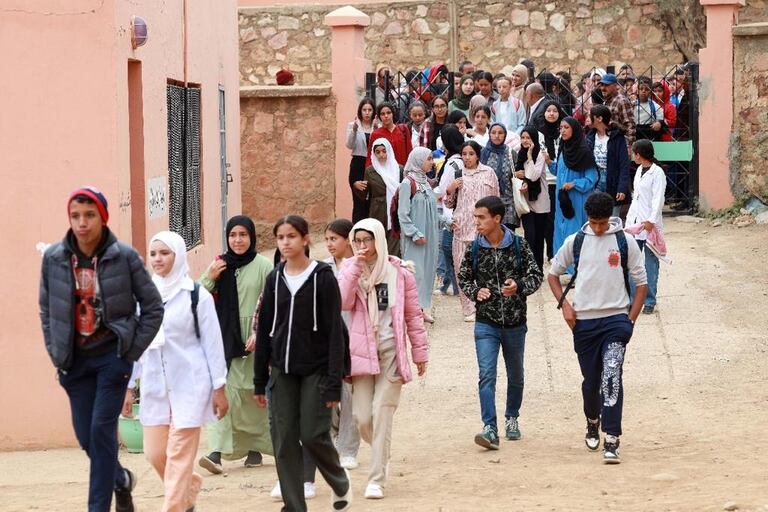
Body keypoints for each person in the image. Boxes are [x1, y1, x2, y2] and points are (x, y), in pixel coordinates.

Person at [39, 186, 163, 512]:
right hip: (74, 363)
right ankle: (121, 480)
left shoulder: (124, 257)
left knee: (100, 430)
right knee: (87, 438)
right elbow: (46, 310)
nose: (82, 223)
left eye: (89, 215)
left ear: (103, 218)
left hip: (112, 358)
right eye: (76, 216)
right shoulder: (54, 258)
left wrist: (130, 351)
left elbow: (153, 308)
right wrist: (56, 352)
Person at [254, 215, 352, 512]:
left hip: (317, 371)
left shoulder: (322, 277)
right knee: (283, 441)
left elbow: (335, 332)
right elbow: (265, 331)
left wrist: (334, 383)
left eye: (292, 236)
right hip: (281, 372)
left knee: (312, 434)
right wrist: (260, 380)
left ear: (306, 239)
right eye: (281, 237)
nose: (285, 243)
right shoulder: (274, 279)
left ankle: (339, 481)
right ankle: (294, 505)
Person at [127, 231, 228, 512]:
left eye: (165, 253)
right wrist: (128, 385)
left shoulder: (198, 296)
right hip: (155, 385)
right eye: (154, 254)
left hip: (190, 386)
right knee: (155, 453)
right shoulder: (143, 298)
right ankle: (189, 488)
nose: (158, 259)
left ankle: (174, 507)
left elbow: (213, 344)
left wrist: (219, 388)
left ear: (178, 255)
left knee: (179, 455)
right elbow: (135, 343)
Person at [547, 192, 648, 464]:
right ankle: (592, 420)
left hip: (616, 320)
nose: (599, 228)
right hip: (584, 323)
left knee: (612, 376)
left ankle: (612, 438)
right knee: (591, 382)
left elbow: (641, 283)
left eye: (603, 223)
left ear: (610, 219)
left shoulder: (625, 241)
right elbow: (553, 275)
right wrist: (565, 306)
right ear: (588, 218)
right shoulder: (576, 241)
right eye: (594, 222)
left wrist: (631, 319)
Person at [337, 218, 429, 500]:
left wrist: (419, 352)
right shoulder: (349, 270)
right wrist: (354, 266)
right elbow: (341, 301)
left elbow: (413, 316)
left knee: (382, 412)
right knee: (362, 417)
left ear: (378, 239)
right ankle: (382, 451)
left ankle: (377, 476)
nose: (362, 246)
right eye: (357, 241)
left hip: (391, 353)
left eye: (367, 240)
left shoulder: (400, 274)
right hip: (361, 355)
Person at [457, 196, 543, 449]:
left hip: (516, 323)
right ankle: (489, 427)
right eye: (475, 217)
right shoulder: (474, 248)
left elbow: (535, 276)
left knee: (516, 375)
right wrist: (475, 292)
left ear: (497, 218)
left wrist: (518, 287)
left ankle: (512, 418)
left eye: (481, 217)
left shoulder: (519, 245)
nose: (477, 222)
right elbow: (464, 277)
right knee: (486, 375)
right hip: (486, 323)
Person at [198, 216, 273, 474]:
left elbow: (274, 301)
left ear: (251, 237)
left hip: (255, 337)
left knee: (253, 394)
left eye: (243, 235)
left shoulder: (264, 265)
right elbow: (196, 298)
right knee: (224, 391)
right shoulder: (219, 264)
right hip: (223, 339)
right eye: (233, 235)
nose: (238, 240)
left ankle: (254, 448)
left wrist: (260, 333)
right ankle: (216, 452)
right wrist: (209, 278)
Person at [444, 141, 500, 321]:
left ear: (477, 155)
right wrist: (450, 189)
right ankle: (468, 308)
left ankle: (484, 304)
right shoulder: (458, 175)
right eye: (464, 154)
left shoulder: (488, 173)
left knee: (485, 268)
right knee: (462, 269)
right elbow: (448, 203)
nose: (467, 157)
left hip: (484, 230)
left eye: (471, 154)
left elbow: (496, 199)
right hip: (461, 229)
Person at [323, 219, 361, 469]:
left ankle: (348, 448)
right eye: (326, 239)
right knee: (327, 394)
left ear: (348, 240)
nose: (329, 244)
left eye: (333, 239)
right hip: (325, 341)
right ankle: (330, 440)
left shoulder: (360, 267)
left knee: (350, 396)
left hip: (353, 339)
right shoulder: (322, 269)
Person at [545, 117, 599, 259]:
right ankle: (563, 263)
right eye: (561, 128)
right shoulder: (563, 149)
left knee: (574, 232)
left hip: (577, 199)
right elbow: (560, 172)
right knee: (561, 230)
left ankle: (576, 268)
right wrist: (549, 162)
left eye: (566, 127)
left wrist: (574, 184)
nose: (562, 131)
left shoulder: (583, 151)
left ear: (574, 130)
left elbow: (591, 178)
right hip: (562, 198)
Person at [398, 147, 440, 323]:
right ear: (418, 160)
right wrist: (415, 233)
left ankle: (421, 309)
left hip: (430, 236)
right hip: (415, 238)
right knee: (415, 275)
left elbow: (433, 210)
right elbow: (403, 214)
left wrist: (446, 221)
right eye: (429, 159)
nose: (432, 162)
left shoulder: (426, 183)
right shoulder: (408, 183)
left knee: (428, 273)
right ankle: (411, 312)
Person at [625, 140, 666, 315]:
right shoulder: (639, 171)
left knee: (650, 262)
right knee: (633, 262)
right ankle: (633, 299)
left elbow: (658, 199)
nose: (633, 156)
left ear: (639, 154)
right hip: (636, 223)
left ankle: (649, 300)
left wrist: (651, 220)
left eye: (634, 153)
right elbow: (637, 198)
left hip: (650, 224)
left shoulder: (658, 173)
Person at [434, 125, 465, 296]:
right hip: (453, 210)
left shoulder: (453, 163)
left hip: (451, 211)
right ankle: (448, 283)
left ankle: (455, 284)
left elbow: (443, 187)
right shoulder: (457, 160)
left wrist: (428, 194)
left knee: (447, 247)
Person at [360, 138, 404, 256]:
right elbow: (365, 195)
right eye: (377, 152)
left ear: (389, 151)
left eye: (384, 151)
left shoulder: (399, 169)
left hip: (395, 210)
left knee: (395, 242)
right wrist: (358, 187)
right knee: (379, 241)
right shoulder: (370, 171)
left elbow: (405, 191)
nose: (381, 155)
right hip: (378, 211)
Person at [586, 105, 630, 217]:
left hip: (612, 179)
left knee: (612, 217)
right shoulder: (590, 136)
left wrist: (622, 187)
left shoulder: (617, 137)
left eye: (590, 116)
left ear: (599, 119)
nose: (587, 118)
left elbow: (623, 164)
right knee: (595, 213)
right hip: (596, 178)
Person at [516, 126, 550, 270]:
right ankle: (529, 267)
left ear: (534, 139)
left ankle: (539, 268)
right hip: (526, 201)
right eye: (523, 137)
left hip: (540, 200)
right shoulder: (519, 154)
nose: (525, 141)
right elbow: (517, 173)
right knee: (529, 235)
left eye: (528, 138)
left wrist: (530, 156)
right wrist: (521, 177)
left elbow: (533, 175)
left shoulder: (541, 155)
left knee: (539, 237)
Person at [538, 101, 563, 262]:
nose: (552, 114)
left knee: (557, 218)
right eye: (548, 110)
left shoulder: (564, 131)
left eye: (555, 110)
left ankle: (557, 251)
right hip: (544, 181)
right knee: (546, 219)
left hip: (560, 181)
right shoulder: (539, 133)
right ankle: (550, 252)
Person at [480, 123, 518, 229]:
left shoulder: (511, 153)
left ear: (505, 135)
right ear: (489, 134)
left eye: (500, 133)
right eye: (493, 133)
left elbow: (517, 174)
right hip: (488, 202)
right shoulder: (482, 153)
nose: (497, 136)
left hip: (508, 202)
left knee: (507, 235)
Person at [347, 98, 377, 222]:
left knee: (371, 202)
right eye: (364, 110)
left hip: (372, 165)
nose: (367, 113)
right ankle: (357, 232)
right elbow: (349, 145)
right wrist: (354, 130)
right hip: (358, 164)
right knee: (359, 202)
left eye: (370, 110)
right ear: (360, 111)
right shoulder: (352, 125)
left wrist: (375, 129)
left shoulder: (377, 126)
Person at [367, 101, 412, 167]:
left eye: (388, 113)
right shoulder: (375, 134)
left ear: (393, 114)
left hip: (402, 171)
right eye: (382, 114)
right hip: (384, 173)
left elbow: (409, 152)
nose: (386, 116)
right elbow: (370, 157)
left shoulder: (403, 129)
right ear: (379, 116)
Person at [599, 73, 636, 149]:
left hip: (620, 144)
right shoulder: (605, 102)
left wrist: (628, 146)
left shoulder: (621, 101)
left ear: (615, 86)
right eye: (602, 85)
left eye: (606, 85)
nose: (603, 88)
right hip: (608, 143)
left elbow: (630, 124)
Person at [633, 77, 665, 142]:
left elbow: (661, 121)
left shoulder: (655, 106)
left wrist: (659, 123)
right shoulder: (632, 105)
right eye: (641, 89)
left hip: (649, 137)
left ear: (650, 92)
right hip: (635, 135)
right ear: (637, 91)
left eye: (647, 89)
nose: (643, 91)